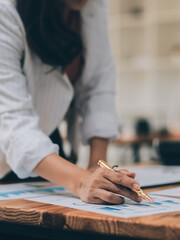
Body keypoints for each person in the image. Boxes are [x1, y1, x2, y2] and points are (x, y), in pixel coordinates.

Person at [0, 0, 142, 204]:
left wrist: (97, 165)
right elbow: (13, 124)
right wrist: (82, 182)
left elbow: (98, 86)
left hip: (44, 142)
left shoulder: (93, 5)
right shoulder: (5, 11)